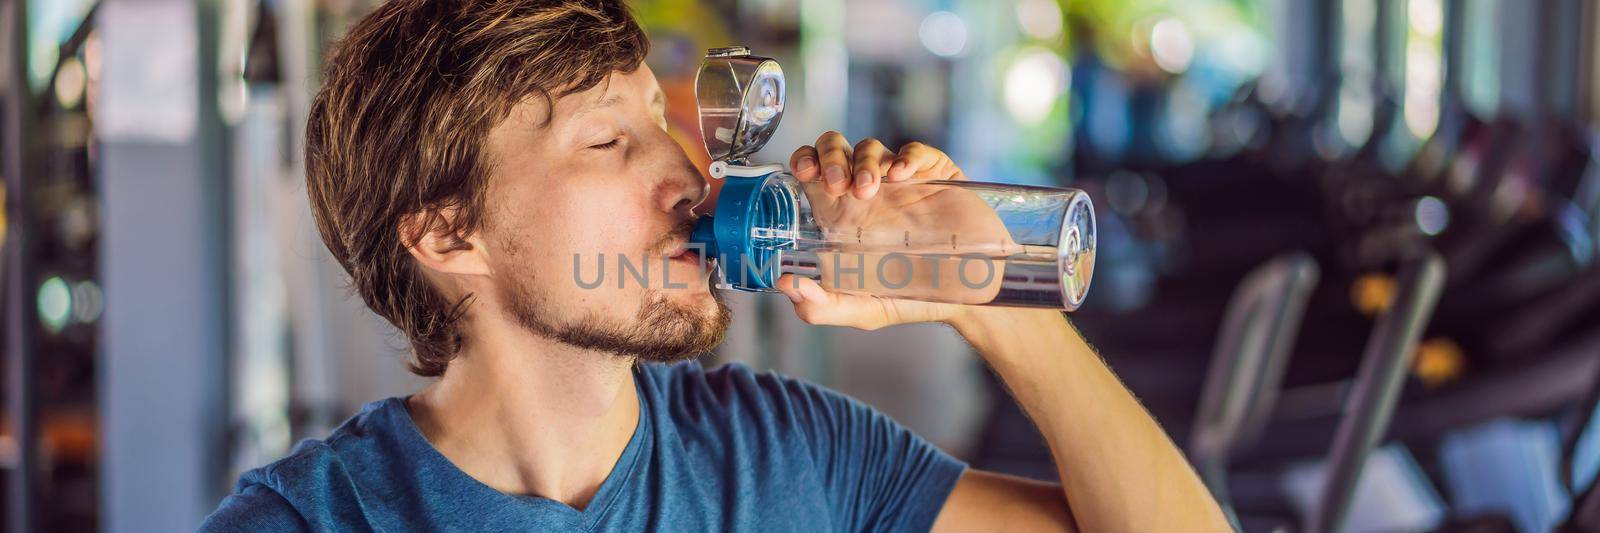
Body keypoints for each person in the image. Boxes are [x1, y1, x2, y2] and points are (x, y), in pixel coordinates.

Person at [200, 0, 1229, 531]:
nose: (690, 174)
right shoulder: (310, 521)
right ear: (446, 235)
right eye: (607, 143)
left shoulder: (791, 453)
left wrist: (995, 299)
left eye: (663, 119)